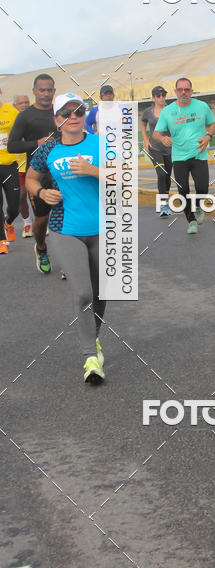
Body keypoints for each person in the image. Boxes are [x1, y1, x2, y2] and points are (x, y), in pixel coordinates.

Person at [26, 93, 106, 384]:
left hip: (104, 228)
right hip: (64, 228)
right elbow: (32, 178)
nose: (73, 117)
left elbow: (126, 176)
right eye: (66, 113)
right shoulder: (48, 149)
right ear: (57, 119)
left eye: (79, 111)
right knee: (83, 292)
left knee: (101, 293)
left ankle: (94, 341)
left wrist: (93, 170)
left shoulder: (101, 142)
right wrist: (40, 192)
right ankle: (90, 357)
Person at [153, 78, 215, 234]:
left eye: (186, 89)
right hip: (179, 157)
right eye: (180, 89)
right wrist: (162, 138)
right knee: (183, 191)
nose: (183, 92)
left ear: (191, 91)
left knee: (202, 187)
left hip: (199, 154)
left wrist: (208, 136)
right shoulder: (167, 111)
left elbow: (213, 124)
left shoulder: (202, 106)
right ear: (175, 92)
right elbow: (155, 134)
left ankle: (198, 207)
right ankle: (191, 221)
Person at [7, 74, 56, 272]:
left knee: (67, 216)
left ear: (54, 90)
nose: (46, 94)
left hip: (63, 173)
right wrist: (37, 143)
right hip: (38, 175)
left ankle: (69, 260)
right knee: (42, 219)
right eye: (42, 90)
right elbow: (12, 145)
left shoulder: (61, 112)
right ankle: (41, 248)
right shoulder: (25, 116)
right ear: (35, 91)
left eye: (49, 90)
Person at [141, 85, 172, 217]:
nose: (161, 98)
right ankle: (163, 204)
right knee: (161, 174)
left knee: (168, 176)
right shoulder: (148, 112)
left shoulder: (171, 110)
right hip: (155, 148)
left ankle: (165, 197)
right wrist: (145, 140)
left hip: (170, 148)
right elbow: (143, 124)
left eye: (163, 95)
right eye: (158, 96)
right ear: (153, 97)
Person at [0, 88, 20, 254]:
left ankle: (9, 222)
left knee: (14, 206)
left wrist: (12, 139)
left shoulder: (11, 111)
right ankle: (1, 240)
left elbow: (22, 135)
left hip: (9, 163)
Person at [13, 94, 33, 237]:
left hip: (33, 162)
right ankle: (27, 223)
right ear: (15, 105)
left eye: (26, 102)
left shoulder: (33, 119)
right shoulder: (11, 122)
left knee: (37, 195)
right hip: (17, 164)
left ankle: (41, 221)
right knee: (21, 196)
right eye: (21, 103)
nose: (24, 105)